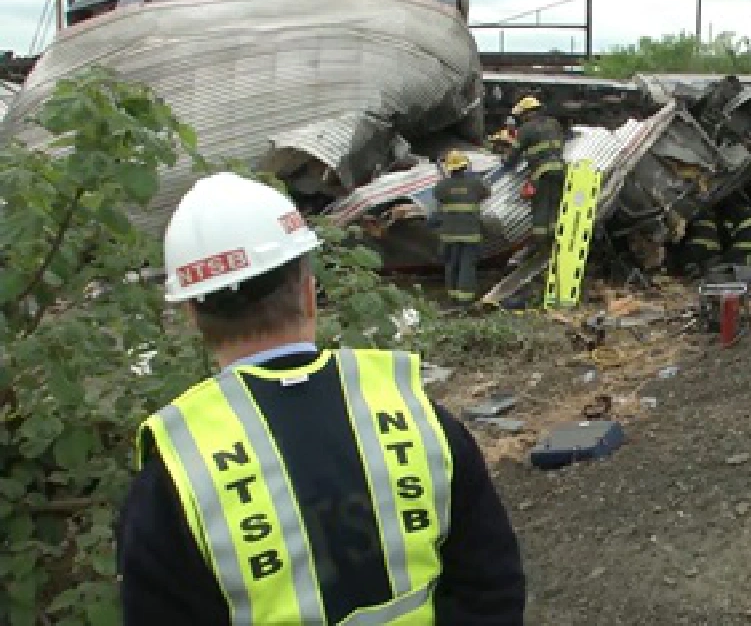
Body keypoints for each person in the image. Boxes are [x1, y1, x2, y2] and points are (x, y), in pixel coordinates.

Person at [117, 173, 525, 625]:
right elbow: (491, 587)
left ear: (192, 314)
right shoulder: (412, 412)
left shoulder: (178, 473)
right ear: (310, 292)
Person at [503, 96, 566, 250]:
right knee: (554, 207)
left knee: (541, 209)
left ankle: (541, 246)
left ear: (526, 113)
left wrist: (505, 160)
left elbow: (513, 156)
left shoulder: (526, 129)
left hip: (541, 174)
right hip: (560, 171)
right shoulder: (554, 124)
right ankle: (556, 242)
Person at [433, 150, 492, 306]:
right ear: (465, 166)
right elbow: (486, 193)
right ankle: (465, 302)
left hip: (449, 235)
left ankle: (452, 298)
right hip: (470, 234)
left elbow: (438, 196)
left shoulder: (442, 186)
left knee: (451, 264)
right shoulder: (476, 183)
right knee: (467, 265)